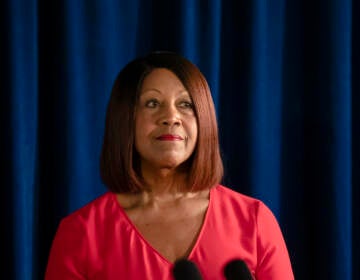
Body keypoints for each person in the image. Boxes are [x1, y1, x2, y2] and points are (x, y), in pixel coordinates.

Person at [45, 52, 294, 280]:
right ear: (125, 120)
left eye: (185, 104)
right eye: (152, 103)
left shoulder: (255, 221)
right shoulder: (80, 233)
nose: (171, 117)